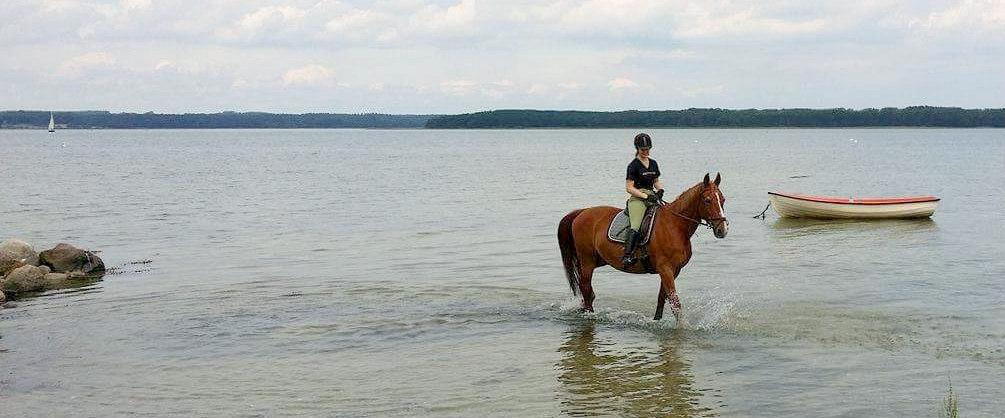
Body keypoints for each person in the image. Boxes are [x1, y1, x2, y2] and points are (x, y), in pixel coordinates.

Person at [622, 133, 663, 266]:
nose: (646, 152)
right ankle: (627, 255)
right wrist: (645, 196)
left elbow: (656, 181)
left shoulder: (653, 163)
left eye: (648, 149)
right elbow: (629, 187)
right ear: (637, 149)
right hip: (638, 198)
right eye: (643, 149)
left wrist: (660, 190)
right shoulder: (633, 165)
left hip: (652, 196)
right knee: (636, 225)